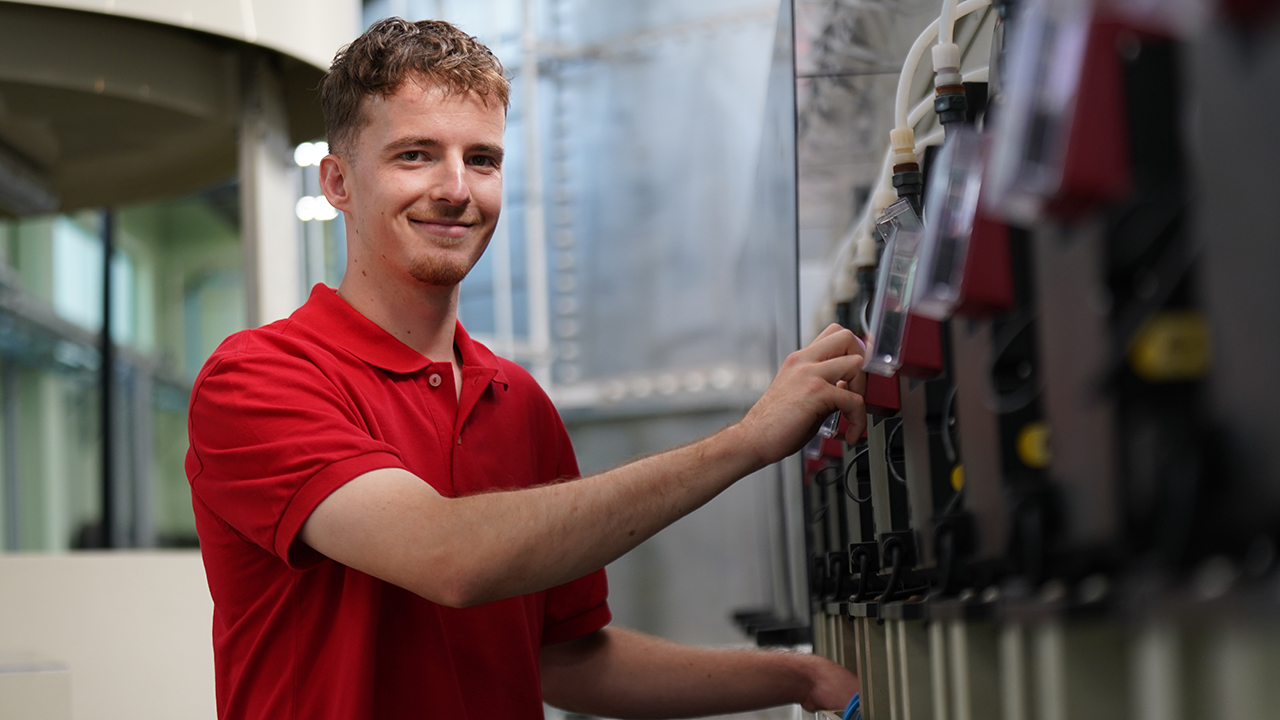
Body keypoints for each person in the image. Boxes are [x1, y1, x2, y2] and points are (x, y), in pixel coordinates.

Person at [187, 17, 866, 720]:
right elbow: (448, 557)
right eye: (415, 155)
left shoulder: (517, 403)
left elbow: (567, 658)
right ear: (338, 182)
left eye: (482, 159)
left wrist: (800, 679)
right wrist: (746, 441)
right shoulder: (260, 379)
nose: (456, 189)